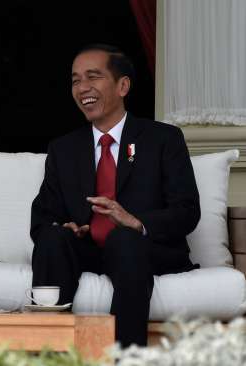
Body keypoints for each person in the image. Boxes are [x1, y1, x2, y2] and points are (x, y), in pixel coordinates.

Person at [30, 44, 200, 347]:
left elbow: (187, 211)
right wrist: (67, 227)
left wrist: (135, 222)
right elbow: (43, 216)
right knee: (53, 238)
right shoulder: (64, 149)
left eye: (93, 77)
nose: (83, 88)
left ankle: (125, 355)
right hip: (89, 249)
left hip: (143, 249)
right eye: (75, 80)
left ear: (123, 85)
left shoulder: (162, 139)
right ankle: (48, 352)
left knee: (124, 239)